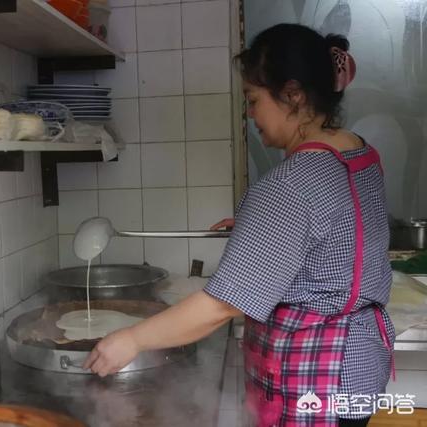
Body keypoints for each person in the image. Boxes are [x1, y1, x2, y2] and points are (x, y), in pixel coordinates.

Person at [83, 23, 395, 427]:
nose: (250, 114)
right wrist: (261, 227)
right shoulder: (357, 150)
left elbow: (221, 306)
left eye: (253, 100)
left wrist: (131, 339)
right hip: (359, 368)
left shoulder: (292, 184)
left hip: (315, 377)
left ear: (293, 94)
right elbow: (340, 225)